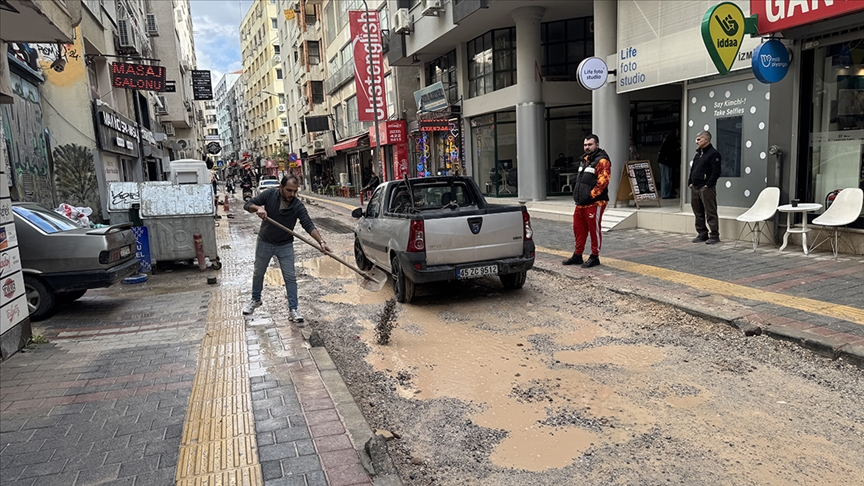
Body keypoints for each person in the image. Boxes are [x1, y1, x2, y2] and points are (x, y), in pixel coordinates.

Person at [242, 174, 331, 322]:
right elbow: (247, 205)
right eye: (289, 190)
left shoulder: (297, 205)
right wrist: (258, 208)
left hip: (285, 245)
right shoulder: (270, 194)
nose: (292, 194)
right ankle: (255, 300)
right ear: (281, 187)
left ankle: (293, 309)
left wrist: (321, 242)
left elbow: (308, 224)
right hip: (265, 242)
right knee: (258, 273)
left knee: (290, 278)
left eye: (294, 191)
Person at [562, 134, 610, 268]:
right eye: (585, 145)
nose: (587, 147)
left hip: (595, 202)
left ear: (597, 145)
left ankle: (595, 256)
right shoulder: (585, 160)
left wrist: (589, 195)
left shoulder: (602, 161)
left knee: (594, 229)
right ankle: (577, 255)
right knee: (578, 229)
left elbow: (603, 182)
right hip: (581, 202)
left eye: (590, 144)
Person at [688, 130, 722, 244]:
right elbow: (693, 169)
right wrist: (690, 182)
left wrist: (708, 184)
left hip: (706, 188)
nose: (696, 142)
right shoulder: (698, 154)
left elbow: (716, 171)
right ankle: (702, 233)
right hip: (695, 187)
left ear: (706, 140)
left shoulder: (713, 154)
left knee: (710, 211)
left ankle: (714, 235)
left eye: (699, 139)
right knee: (698, 211)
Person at [658, 130, 681, 199]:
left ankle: (666, 193)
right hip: (666, 162)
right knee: (667, 178)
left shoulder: (668, 141)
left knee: (666, 178)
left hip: (665, 161)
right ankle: (665, 194)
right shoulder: (672, 142)